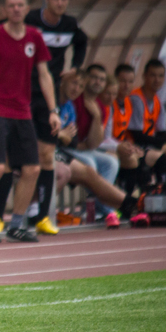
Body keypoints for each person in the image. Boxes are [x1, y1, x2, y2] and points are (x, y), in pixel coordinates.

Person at [0, 0, 88, 236]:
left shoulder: (70, 24)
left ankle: (43, 216)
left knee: (46, 156)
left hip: (46, 95)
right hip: (20, 93)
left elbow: (82, 41)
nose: (60, 3)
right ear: (46, 0)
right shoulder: (29, 21)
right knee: (7, 160)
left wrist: (76, 66)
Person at [0, 0, 60, 244]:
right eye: (11, 6)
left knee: (32, 168)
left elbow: (44, 74)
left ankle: (17, 224)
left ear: (27, 8)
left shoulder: (34, 37)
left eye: (20, 5)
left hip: (23, 111)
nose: (16, 9)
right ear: (4, 10)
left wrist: (53, 111)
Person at [55, 73, 140, 228]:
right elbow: (54, 136)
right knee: (88, 166)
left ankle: (126, 205)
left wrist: (96, 116)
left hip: (68, 149)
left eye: (80, 86)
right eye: (74, 83)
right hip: (51, 150)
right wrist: (61, 134)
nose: (77, 89)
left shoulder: (73, 106)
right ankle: (122, 206)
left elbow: (78, 140)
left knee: (109, 163)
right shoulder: (53, 102)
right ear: (63, 81)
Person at [71, 64, 120, 223]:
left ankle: (99, 207)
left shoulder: (101, 107)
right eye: (94, 77)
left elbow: (94, 143)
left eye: (102, 79)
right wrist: (83, 146)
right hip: (68, 148)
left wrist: (97, 116)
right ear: (86, 79)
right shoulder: (75, 99)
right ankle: (106, 209)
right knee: (90, 163)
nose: (98, 82)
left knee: (111, 162)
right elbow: (68, 138)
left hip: (83, 148)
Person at [110, 63, 166, 196]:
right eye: (122, 81)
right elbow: (112, 134)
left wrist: (130, 145)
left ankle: (159, 193)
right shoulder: (113, 103)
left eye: (130, 82)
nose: (126, 85)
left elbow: (124, 132)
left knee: (158, 157)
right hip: (111, 146)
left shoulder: (128, 103)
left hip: (124, 144)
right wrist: (127, 145)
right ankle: (128, 199)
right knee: (135, 159)